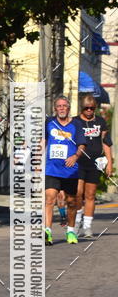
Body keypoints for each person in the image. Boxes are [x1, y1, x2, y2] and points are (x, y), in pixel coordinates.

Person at [44, 95, 86, 246]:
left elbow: (82, 145)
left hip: (70, 170)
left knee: (71, 202)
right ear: (55, 108)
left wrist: (75, 156)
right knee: (49, 198)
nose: (61, 108)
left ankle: (70, 231)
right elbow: (44, 140)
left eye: (64, 106)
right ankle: (47, 231)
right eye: (59, 106)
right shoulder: (49, 122)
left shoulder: (76, 124)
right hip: (52, 169)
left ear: (68, 108)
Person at [73, 94, 113, 239]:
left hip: (94, 163)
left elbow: (106, 142)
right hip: (78, 162)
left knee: (90, 195)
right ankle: (76, 223)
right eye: (86, 108)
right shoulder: (74, 121)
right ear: (81, 108)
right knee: (77, 193)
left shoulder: (100, 121)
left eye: (92, 108)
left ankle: (88, 226)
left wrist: (109, 163)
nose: (89, 111)